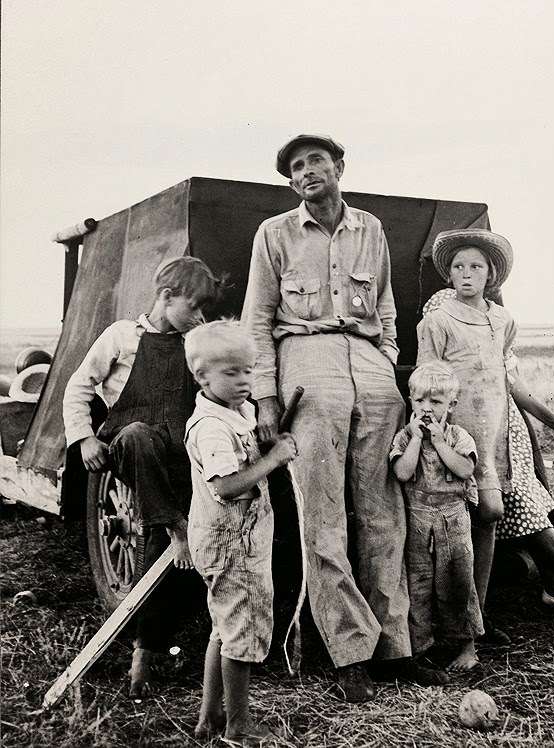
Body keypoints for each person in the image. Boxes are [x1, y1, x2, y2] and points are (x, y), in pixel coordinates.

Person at [241, 134, 447, 702]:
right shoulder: (274, 234)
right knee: (323, 511)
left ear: (339, 167)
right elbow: (257, 320)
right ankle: (348, 651)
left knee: (385, 510)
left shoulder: (370, 228)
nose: (309, 172)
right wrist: (265, 398)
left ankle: (396, 650)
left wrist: (384, 358)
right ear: (290, 181)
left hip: (369, 363)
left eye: (317, 161)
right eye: (297, 167)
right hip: (306, 361)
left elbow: (385, 303)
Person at [418, 229, 554, 620]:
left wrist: (548, 416)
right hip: (463, 429)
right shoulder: (439, 313)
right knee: (485, 513)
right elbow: (432, 378)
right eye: (459, 266)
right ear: (449, 274)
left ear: (491, 274)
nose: (467, 273)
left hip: (503, 432)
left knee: (509, 510)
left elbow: (508, 378)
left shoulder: (503, 320)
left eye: (476, 266)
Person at [62, 256, 225, 698]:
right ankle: (175, 526)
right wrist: (83, 440)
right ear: (166, 297)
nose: (200, 318)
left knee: (162, 547)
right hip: (128, 448)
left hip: (177, 458)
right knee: (138, 436)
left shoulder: (194, 342)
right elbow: (78, 387)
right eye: (193, 307)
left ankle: (146, 652)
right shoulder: (120, 336)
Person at [183, 321, 297, 746]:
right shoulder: (211, 426)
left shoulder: (235, 411)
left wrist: (269, 446)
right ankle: (239, 726)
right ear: (202, 376)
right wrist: (276, 459)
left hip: (232, 537)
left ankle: (209, 715)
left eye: (249, 371)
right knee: (242, 632)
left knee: (223, 627)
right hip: (232, 540)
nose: (244, 381)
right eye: (232, 373)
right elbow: (227, 486)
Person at [390, 362, 485, 671]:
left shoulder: (458, 437)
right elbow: (403, 473)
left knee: (458, 580)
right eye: (419, 401)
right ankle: (420, 648)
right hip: (417, 519)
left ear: (451, 405)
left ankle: (467, 646)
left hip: (453, 519)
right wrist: (417, 439)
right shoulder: (405, 439)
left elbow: (465, 469)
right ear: (411, 401)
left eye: (436, 402)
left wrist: (440, 442)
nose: (426, 408)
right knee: (418, 583)